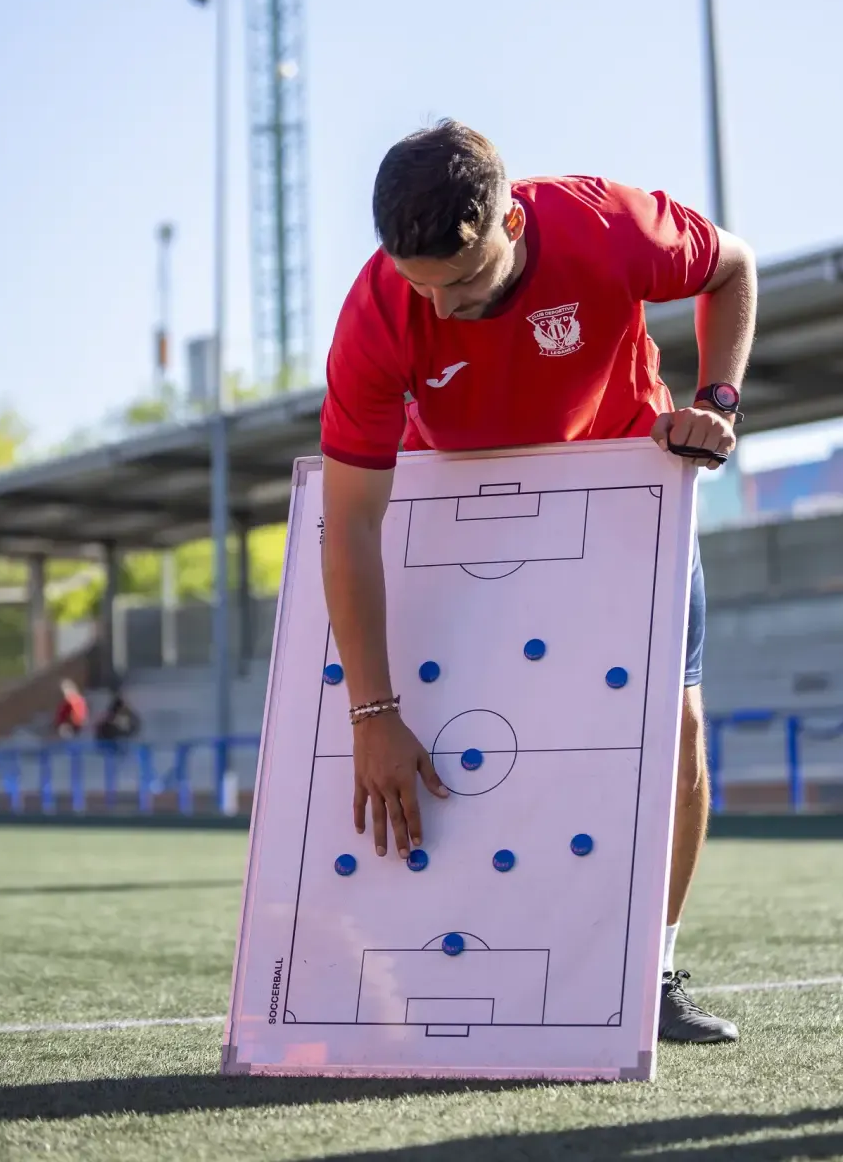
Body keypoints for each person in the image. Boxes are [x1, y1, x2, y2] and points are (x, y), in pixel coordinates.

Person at [319, 120, 756, 1045]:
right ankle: (457, 971)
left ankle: (651, 973)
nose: (441, 307)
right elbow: (351, 520)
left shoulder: (608, 226)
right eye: (420, 284)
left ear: (511, 222)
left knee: (676, 730)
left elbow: (733, 267)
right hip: (469, 521)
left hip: (627, 494)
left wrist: (716, 402)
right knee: (475, 748)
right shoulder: (377, 314)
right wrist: (372, 713)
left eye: (463, 281)